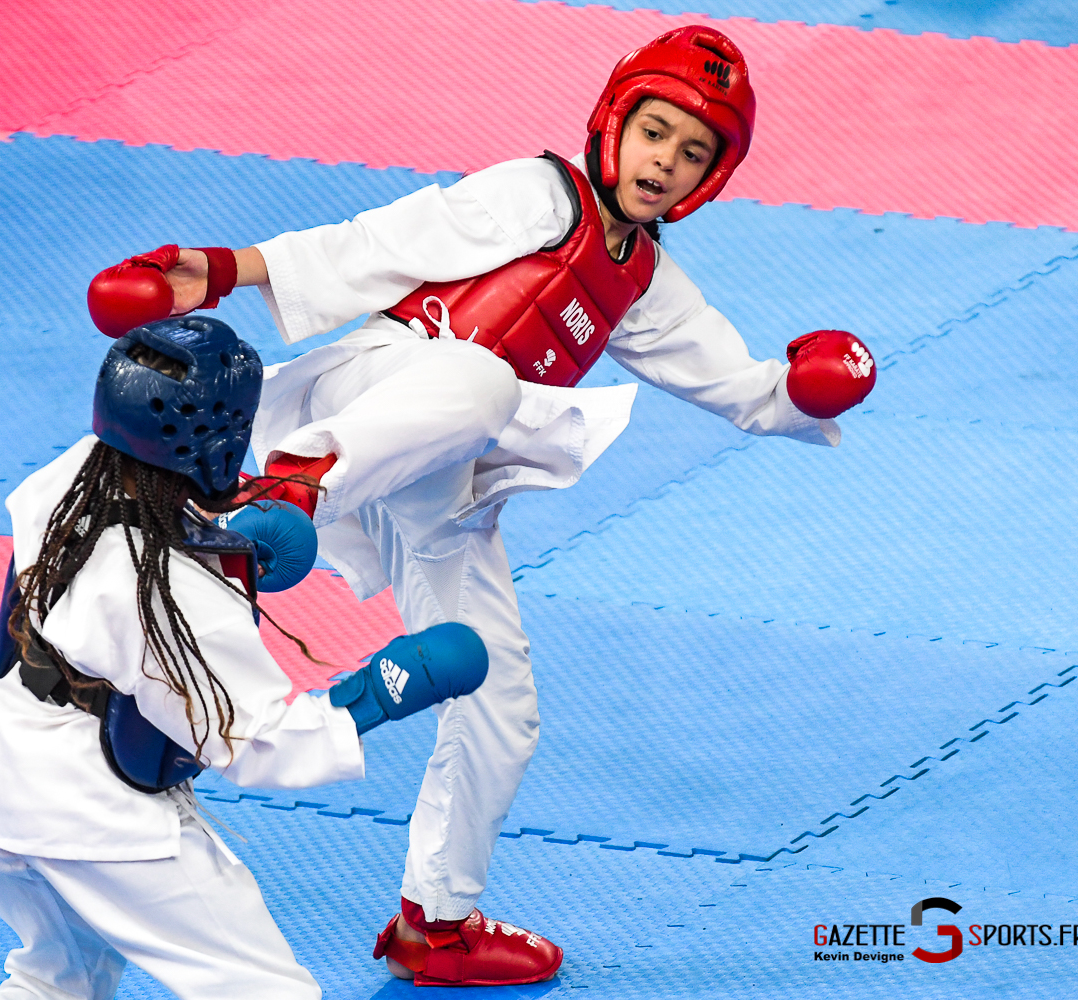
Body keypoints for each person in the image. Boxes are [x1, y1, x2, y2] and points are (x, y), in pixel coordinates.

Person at [85, 25, 876, 988]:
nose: (665, 162)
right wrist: (216, 269)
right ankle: (279, 500)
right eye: (656, 132)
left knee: (502, 704)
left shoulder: (645, 282)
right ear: (615, 122)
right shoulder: (536, 194)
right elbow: (374, 244)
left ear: (710, 178)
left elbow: (739, 387)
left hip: (445, 481)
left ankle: (436, 924)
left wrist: (808, 389)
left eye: (693, 152)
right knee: (482, 378)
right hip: (376, 401)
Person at [0, 315, 491, 1000]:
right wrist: (382, 689)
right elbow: (257, 744)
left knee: (56, 979)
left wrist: (230, 531)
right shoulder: (177, 592)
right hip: (102, 823)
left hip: (4, 790)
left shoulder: (63, 481)